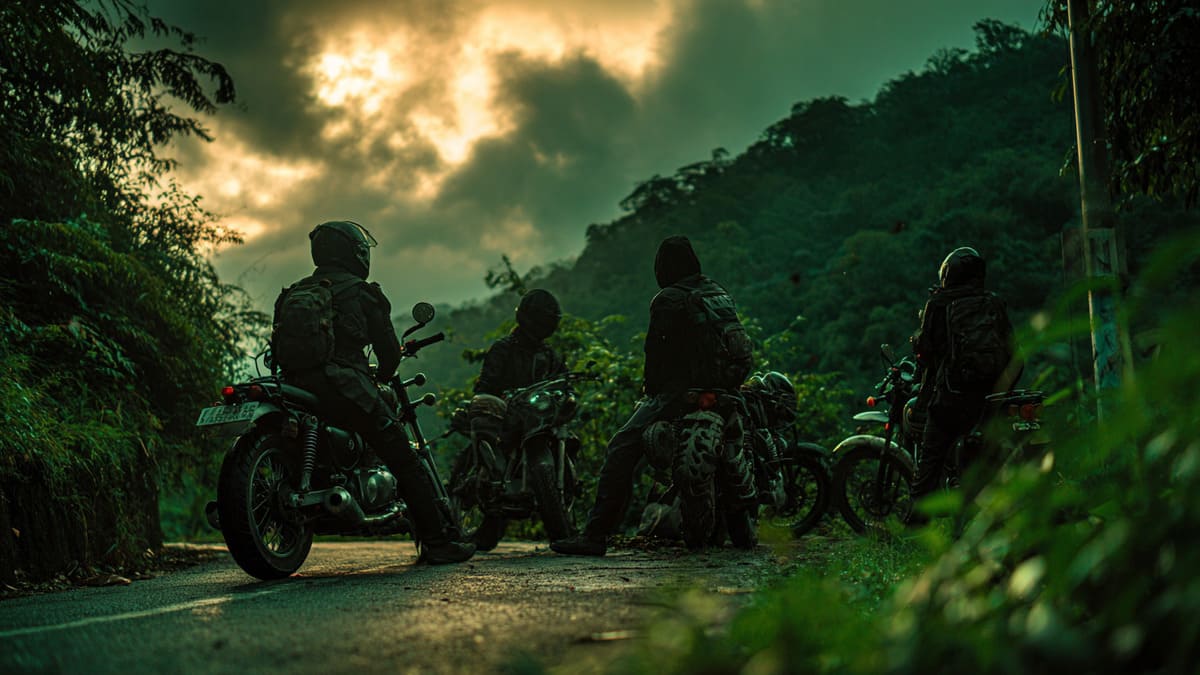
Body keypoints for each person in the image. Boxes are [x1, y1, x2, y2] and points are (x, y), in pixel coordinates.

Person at [272, 220, 474, 564]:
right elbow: (389, 354)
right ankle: (438, 542)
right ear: (354, 253)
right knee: (404, 458)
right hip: (345, 387)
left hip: (293, 387)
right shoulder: (362, 292)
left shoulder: (293, 293)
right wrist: (381, 374)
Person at [552, 235, 754, 556]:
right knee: (735, 445)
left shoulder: (667, 299)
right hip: (726, 387)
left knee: (621, 447)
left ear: (665, 267)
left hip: (681, 391)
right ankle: (740, 530)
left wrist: (652, 391)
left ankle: (595, 534)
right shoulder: (717, 291)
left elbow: (656, 354)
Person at [910, 246, 1019, 500]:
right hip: (993, 398)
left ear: (949, 274)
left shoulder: (938, 304)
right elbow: (1015, 353)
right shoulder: (993, 302)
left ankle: (918, 519)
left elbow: (926, 353)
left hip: (952, 400)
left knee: (930, 461)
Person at [466, 289, 567, 547]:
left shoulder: (550, 355)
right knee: (495, 449)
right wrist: (499, 399)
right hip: (507, 419)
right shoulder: (503, 349)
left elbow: (563, 383)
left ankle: (560, 520)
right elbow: (486, 385)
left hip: (538, 420)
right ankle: (490, 490)